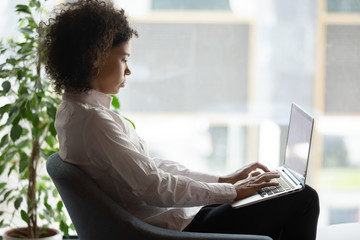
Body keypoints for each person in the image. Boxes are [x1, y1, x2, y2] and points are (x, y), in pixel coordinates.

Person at [43, 1, 319, 239]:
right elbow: (153, 185)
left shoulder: (73, 111)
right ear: (96, 57)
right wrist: (231, 190)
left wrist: (225, 180)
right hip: (171, 231)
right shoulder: (95, 123)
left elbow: (149, 169)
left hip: (169, 220)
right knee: (304, 198)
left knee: (272, 196)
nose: (129, 70)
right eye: (123, 59)